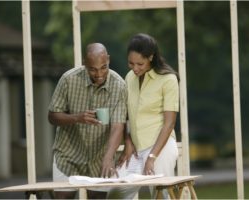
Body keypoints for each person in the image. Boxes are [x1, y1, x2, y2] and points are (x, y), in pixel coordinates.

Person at [48, 43, 127, 199]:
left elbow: (118, 126)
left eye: (103, 67)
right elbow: (52, 116)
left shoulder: (119, 85)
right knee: (63, 197)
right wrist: (77, 117)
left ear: (109, 60)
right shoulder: (68, 79)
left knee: (97, 198)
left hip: (100, 156)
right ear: (85, 63)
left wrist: (108, 157)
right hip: (68, 154)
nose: (99, 74)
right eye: (93, 69)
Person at [107, 33, 180, 199]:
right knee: (116, 195)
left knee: (162, 195)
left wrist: (152, 157)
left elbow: (169, 123)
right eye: (131, 63)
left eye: (140, 63)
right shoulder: (129, 78)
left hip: (161, 148)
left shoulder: (168, 79)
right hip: (136, 149)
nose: (135, 68)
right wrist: (128, 141)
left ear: (151, 57)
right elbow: (126, 115)